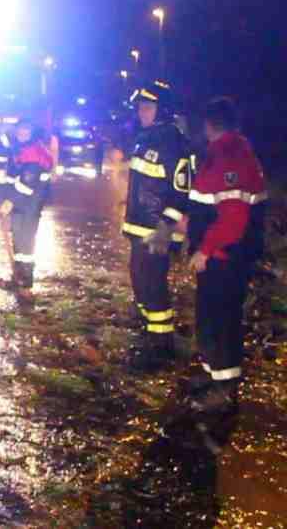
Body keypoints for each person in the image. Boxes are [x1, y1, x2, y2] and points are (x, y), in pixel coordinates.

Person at [182, 97, 267, 414]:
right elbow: (212, 202)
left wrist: (204, 249)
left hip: (225, 257)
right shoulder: (228, 152)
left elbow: (233, 218)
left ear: (210, 124)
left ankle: (224, 387)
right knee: (211, 315)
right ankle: (212, 374)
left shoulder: (230, 156)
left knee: (221, 318)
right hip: (221, 255)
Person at [121, 84, 192, 371]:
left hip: (157, 231)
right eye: (140, 108)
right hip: (140, 228)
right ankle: (148, 330)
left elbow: (181, 191)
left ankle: (161, 346)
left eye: (148, 108)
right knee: (139, 279)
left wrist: (165, 227)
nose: (142, 113)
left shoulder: (173, 142)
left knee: (153, 284)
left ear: (162, 110)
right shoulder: (146, 137)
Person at [0, 116, 53, 306]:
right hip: (22, 204)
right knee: (19, 242)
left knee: (26, 244)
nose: (22, 132)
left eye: (26, 130)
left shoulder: (34, 152)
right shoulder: (21, 149)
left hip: (29, 205)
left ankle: (26, 285)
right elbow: (12, 176)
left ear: (33, 132)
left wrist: (9, 202)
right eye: (20, 129)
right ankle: (18, 278)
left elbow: (27, 184)